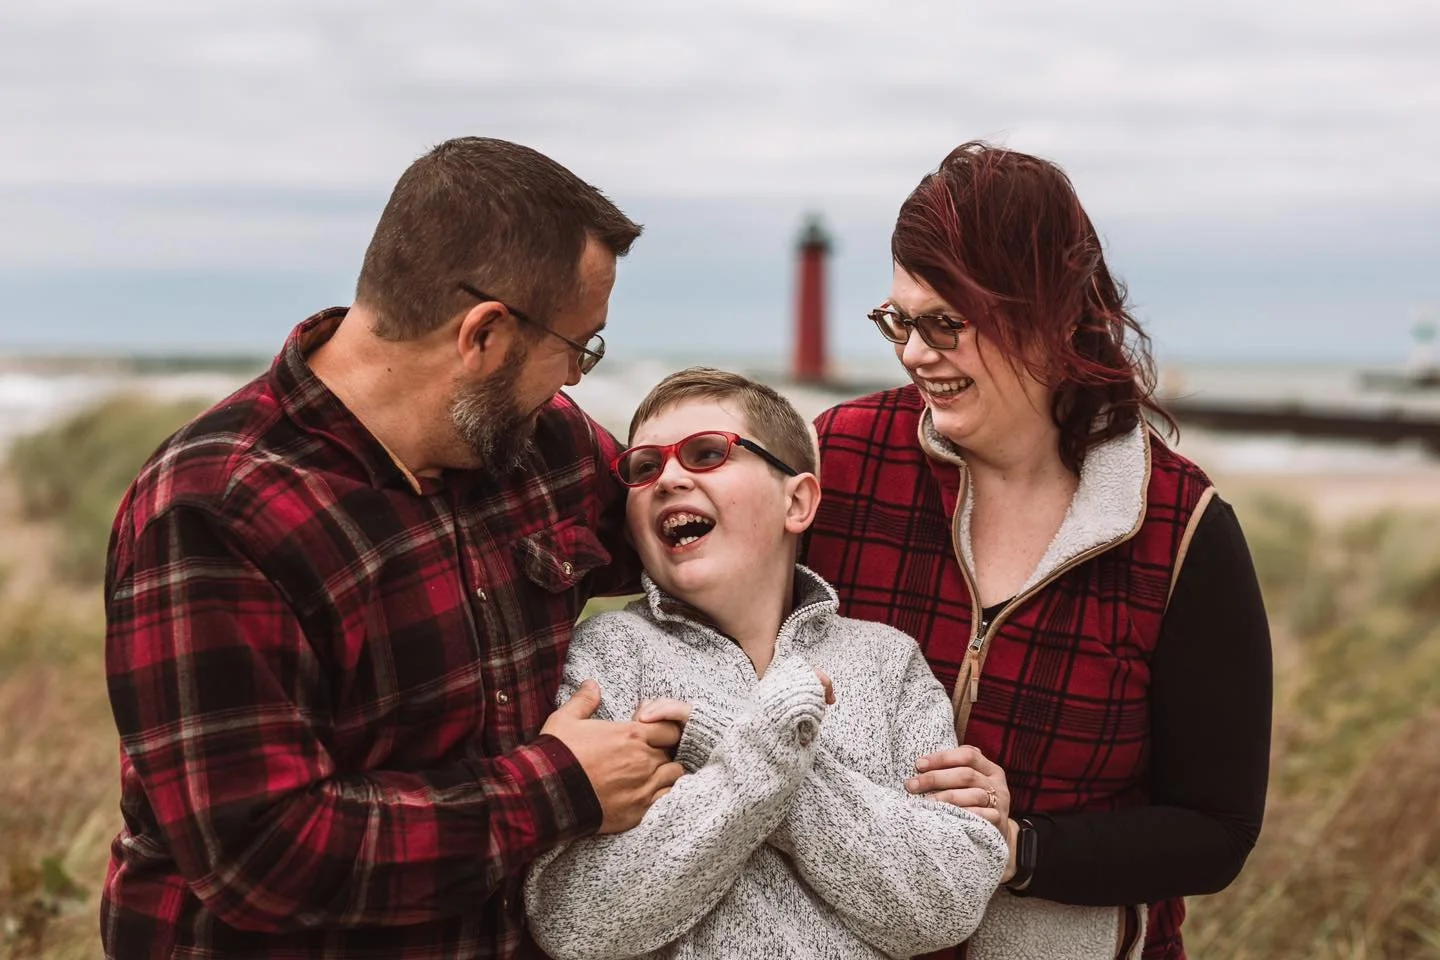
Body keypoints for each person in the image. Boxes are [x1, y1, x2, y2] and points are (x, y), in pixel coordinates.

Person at [100, 137, 686, 960]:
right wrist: (560, 788)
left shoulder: (539, 446)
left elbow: (699, 549)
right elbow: (264, 855)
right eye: (578, 348)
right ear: (483, 335)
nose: (579, 380)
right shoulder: (215, 510)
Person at [804, 143, 1272, 960]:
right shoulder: (841, 460)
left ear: (1054, 315)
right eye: (898, 322)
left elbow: (1215, 831)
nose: (916, 352)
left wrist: (1019, 845)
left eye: (946, 323)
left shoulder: (1179, 528)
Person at [523, 368, 1011, 959]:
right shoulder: (612, 653)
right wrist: (760, 754)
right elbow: (573, 921)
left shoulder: (886, 661)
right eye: (643, 467)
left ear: (797, 501)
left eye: (708, 454)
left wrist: (727, 742)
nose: (668, 477)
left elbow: (945, 905)